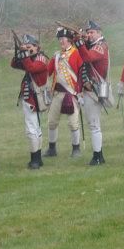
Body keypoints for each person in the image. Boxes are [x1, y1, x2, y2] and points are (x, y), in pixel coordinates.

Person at [10, 34, 49, 170]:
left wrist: (25, 54)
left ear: (37, 47)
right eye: (26, 46)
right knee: (35, 128)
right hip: (31, 98)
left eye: (30, 46)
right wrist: (18, 51)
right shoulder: (30, 58)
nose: (28, 49)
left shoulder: (41, 59)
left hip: (34, 99)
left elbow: (32, 68)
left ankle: (35, 160)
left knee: (32, 129)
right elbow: (14, 64)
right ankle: (37, 158)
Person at [45, 27, 84, 158]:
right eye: (60, 39)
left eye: (63, 39)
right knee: (52, 122)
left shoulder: (77, 54)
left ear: (69, 40)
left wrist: (80, 92)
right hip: (57, 93)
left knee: (73, 123)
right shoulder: (56, 55)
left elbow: (81, 74)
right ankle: (52, 148)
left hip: (71, 93)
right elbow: (47, 71)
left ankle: (76, 149)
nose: (61, 41)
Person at [78, 20, 110, 166]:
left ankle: (98, 156)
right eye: (88, 32)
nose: (89, 34)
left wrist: (79, 43)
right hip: (88, 90)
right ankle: (99, 155)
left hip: (95, 90)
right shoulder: (92, 46)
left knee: (94, 125)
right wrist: (79, 41)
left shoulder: (100, 46)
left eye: (92, 32)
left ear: (99, 32)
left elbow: (88, 57)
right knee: (93, 124)